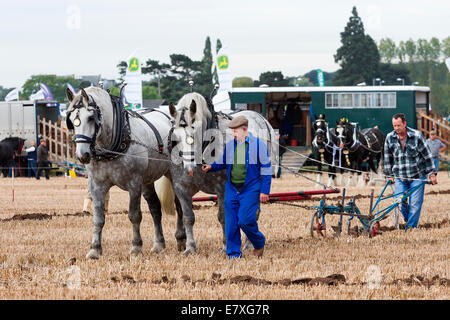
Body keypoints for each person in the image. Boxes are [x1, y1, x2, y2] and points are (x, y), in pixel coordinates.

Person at [202, 115, 272, 259]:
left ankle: (259, 242)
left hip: (250, 189)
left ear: (244, 130)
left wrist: (264, 191)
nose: (233, 134)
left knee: (245, 220)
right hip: (232, 189)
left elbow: (266, 169)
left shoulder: (258, 145)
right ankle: (233, 254)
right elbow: (222, 163)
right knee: (231, 224)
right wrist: (211, 166)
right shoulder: (230, 145)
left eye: (235, 131)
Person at [384, 113, 437, 231]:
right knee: (399, 202)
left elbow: (427, 156)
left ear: (404, 124)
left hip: (417, 176)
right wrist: (389, 175)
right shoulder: (389, 137)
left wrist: (432, 174)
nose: (396, 128)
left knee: (415, 204)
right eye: (394, 126)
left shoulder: (417, 136)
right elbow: (388, 158)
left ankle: (411, 228)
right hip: (400, 177)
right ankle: (409, 219)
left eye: (398, 125)